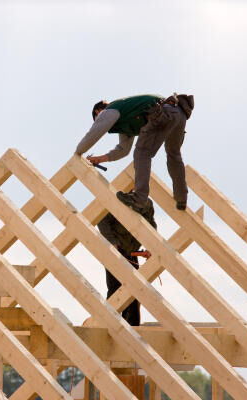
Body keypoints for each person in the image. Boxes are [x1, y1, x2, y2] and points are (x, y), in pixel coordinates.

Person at [75, 93, 194, 212]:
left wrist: (78, 153)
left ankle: (139, 198)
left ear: (97, 112)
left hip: (162, 113)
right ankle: (181, 198)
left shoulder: (109, 110)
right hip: (178, 113)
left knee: (142, 153)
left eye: (97, 120)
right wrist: (100, 159)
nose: (99, 122)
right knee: (174, 155)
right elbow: (123, 149)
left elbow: (93, 134)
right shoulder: (125, 116)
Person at [97, 197, 156, 326]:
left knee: (135, 293)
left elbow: (151, 225)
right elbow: (102, 220)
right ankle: (111, 326)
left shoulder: (146, 202)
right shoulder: (118, 198)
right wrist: (113, 243)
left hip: (131, 252)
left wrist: (151, 246)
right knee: (116, 291)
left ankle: (132, 330)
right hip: (116, 253)